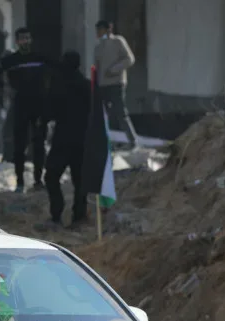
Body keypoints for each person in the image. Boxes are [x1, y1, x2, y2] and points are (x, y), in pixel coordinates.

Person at [0, 28, 50, 192]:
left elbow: (49, 79)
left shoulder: (40, 58)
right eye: (22, 39)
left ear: (31, 39)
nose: (25, 41)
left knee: (39, 144)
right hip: (19, 106)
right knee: (19, 145)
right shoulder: (11, 61)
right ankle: (20, 181)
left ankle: (38, 180)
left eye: (27, 38)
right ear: (17, 41)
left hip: (39, 105)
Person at [44, 52, 90, 226]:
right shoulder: (87, 85)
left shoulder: (58, 85)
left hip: (62, 140)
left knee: (51, 176)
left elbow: (48, 111)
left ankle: (57, 212)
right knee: (80, 180)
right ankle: (79, 215)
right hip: (82, 140)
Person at [93, 20, 137, 148]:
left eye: (100, 30)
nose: (98, 33)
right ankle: (106, 143)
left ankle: (132, 141)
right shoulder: (98, 47)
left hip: (116, 83)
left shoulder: (118, 41)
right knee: (104, 115)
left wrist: (114, 69)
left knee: (120, 113)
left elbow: (129, 59)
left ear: (107, 30)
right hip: (103, 85)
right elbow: (96, 67)